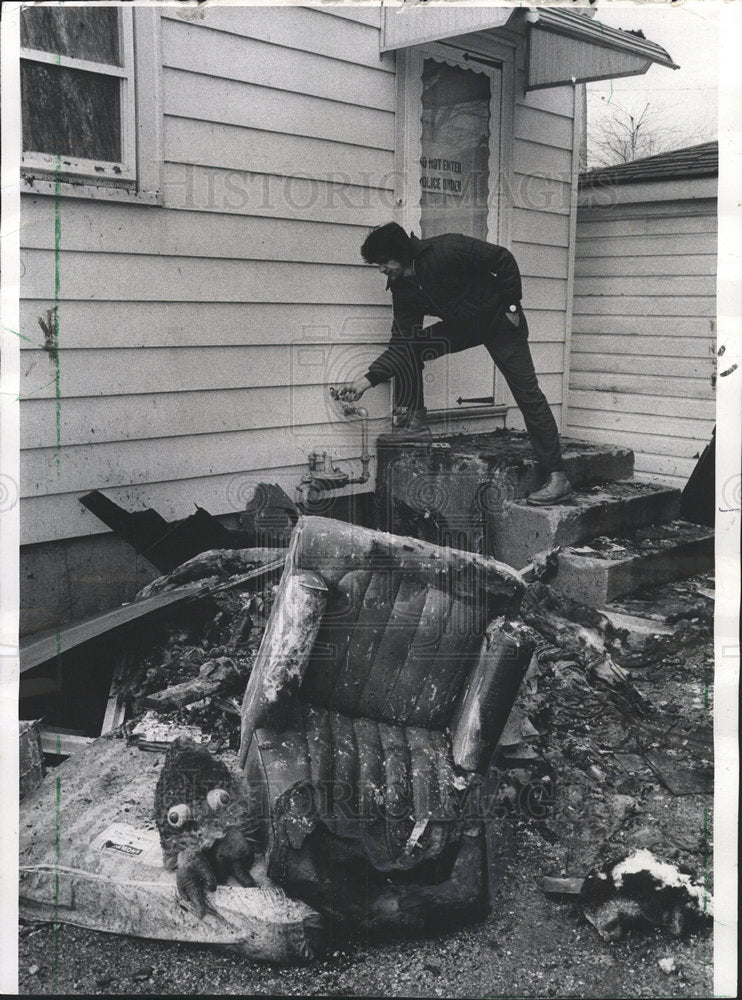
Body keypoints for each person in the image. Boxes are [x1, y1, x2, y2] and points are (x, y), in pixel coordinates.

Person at [338, 222, 573, 507]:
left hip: (500, 321)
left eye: (383, 262)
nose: (381, 270)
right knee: (412, 348)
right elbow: (401, 343)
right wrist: (366, 381)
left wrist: (511, 306)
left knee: (527, 394)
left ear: (399, 253)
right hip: (463, 327)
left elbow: (503, 259)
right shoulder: (403, 289)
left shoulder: (448, 249)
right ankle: (413, 427)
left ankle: (557, 477)